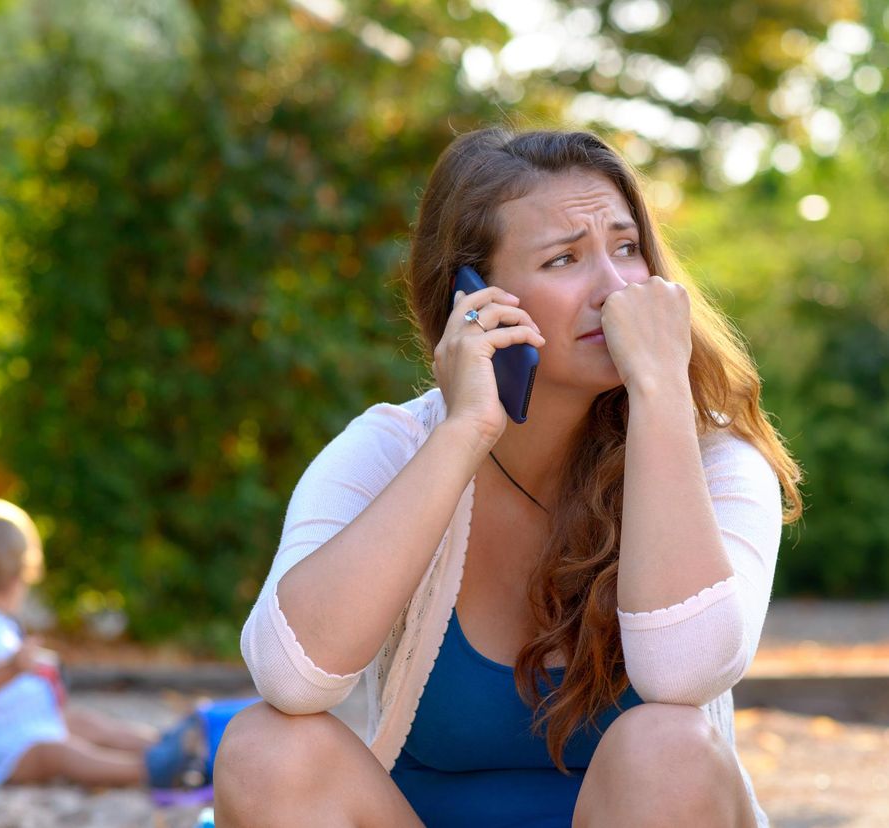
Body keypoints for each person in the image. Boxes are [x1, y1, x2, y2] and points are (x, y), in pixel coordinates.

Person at [214, 128, 802, 827]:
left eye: (626, 247)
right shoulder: (393, 448)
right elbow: (289, 676)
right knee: (263, 747)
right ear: (475, 298)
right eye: (564, 259)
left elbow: (685, 672)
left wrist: (662, 394)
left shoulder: (714, 458)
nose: (615, 290)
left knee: (664, 742)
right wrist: (464, 431)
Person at [0, 497, 206, 789]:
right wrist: (11, 669)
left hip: (10, 728)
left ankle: (166, 746)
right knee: (59, 754)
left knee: (82, 722)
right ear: (18, 579)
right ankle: (149, 768)